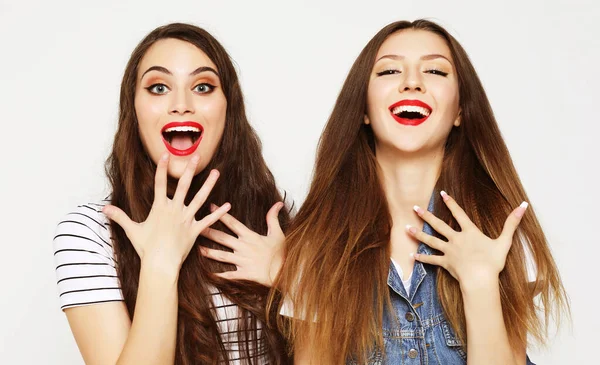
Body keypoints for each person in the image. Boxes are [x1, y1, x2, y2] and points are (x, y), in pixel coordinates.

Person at [218, 19, 567, 364]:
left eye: (435, 71)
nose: (412, 82)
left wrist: (480, 283)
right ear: (364, 109)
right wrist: (297, 277)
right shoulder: (317, 246)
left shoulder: (497, 229)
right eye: (389, 72)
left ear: (460, 110)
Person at [53, 23, 291, 365]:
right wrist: (160, 263)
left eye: (203, 86)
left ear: (229, 111)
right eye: (159, 87)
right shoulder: (91, 233)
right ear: (133, 112)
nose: (181, 104)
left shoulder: (272, 231)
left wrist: (293, 282)